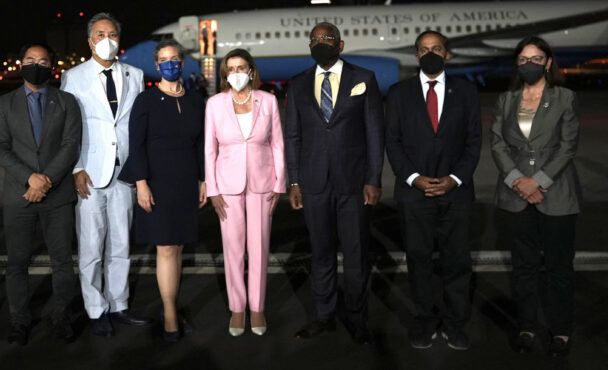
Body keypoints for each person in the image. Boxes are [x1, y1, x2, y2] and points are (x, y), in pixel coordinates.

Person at [285, 22, 384, 345]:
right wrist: (294, 180)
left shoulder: (363, 79)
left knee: (356, 255)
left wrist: (373, 178)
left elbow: (373, 132)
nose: (320, 43)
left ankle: (357, 319)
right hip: (313, 183)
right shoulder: (298, 84)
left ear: (340, 45)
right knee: (321, 253)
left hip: (353, 183)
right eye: (314, 39)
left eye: (327, 39)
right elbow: (293, 137)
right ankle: (323, 316)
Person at [385, 31, 481, 351]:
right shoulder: (398, 94)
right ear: (416, 56)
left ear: (447, 55)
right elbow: (393, 143)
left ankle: (455, 324)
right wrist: (414, 178)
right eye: (424, 50)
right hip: (414, 194)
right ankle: (424, 322)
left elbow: (473, 142)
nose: (430, 54)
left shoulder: (466, 92)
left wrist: (455, 178)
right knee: (419, 262)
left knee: (457, 263)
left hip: (456, 194)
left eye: (436, 49)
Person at [60, 13, 152, 336]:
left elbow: (136, 127)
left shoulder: (135, 75)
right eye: (100, 34)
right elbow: (68, 128)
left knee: (120, 244)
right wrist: (76, 167)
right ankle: (95, 310)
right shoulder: (73, 77)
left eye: (112, 33)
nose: (106, 39)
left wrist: (140, 170)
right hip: (89, 174)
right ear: (90, 40)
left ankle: (119, 304)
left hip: (124, 172)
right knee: (90, 245)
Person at [491, 36, 581, 357]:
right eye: (523, 59)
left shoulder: (565, 98)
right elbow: (498, 144)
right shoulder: (506, 99)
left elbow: (568, 146)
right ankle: (527, 326)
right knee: (523, 267)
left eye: (535, 58)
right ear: (517, 64)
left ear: (547, 62)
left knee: (558, 268)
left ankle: (561, 330)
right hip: (516, 196)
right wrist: (518, 181)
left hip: (555, 194)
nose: (529, 63)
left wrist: (538, 181)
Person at [0, 43, 82, 345]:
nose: (36, 65)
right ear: (21, 64)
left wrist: (46, 180)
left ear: (52, 67)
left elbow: (71, 145)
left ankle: (61, 316)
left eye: (43, 61)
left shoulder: (67, 101)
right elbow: (0, 148)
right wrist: (30, 178)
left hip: (58, 196)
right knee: (17, 262)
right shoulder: (5, 103)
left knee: (62, 261)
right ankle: (19, 319)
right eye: (30, 60)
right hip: (20, 194)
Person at [118, 38, 207, 341]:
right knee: (166, 248)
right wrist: (141, 183)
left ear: (182, 62)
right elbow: (136, 145)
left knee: (179, 247)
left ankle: (172, 304)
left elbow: (200, 145)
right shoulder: (146, 101)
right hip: (157, 182)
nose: (171, 64)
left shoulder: (196, 99)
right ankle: (169, 312)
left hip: (185, 182)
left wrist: (203, 180)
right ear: (157, 65)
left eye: (176, 59)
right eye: (165, 60)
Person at [204, 48, 285, 336]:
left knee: (260, 247)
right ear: (225, 73)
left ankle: (257, 307)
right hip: (227, 187)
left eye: (242, 67)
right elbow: (209, 149)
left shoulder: (269, 101)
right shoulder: (214, 104)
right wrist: (212, 189)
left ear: (251, 70)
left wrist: (279, 184)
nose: (237, 73)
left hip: (263, 184)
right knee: (233, 249)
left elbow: (277, 144)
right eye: (231, 68)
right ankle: (238, 309)